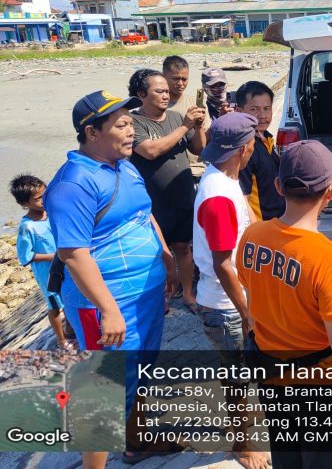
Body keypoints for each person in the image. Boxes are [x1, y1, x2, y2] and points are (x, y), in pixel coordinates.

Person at [236, 140, 332, 468]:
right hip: (322, 386)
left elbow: (252, 300)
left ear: (279, 186)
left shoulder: (252, 237)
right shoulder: (327, 257)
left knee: (287, 455)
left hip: (272, 376)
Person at [44, 90, 179, 468]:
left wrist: (167, 258)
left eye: (129, 122)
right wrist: (108, 310)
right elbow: (73, 253)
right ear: (91, 133)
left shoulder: (123, 165)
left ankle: (137, 442)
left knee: (141, 374)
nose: (130, 130)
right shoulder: (74, 183)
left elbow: (144, 214)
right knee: (104, 389)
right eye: (120, 125)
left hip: (145, 294)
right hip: (106, 304)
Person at [193, 112, 270, 469]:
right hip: (225, 305)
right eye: (252, 144)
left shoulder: (224, 178)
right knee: (238, 378)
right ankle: (243, 445)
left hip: (234, 297)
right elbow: (224, 264)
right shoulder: (218, 195)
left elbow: (249, 225)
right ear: (245, 149)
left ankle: (243, 430)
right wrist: (248, 313)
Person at [129, 69, 206, 313]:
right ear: (141, 94)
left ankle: (188, 294)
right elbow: (150, 151)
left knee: (183, 247)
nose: (166, 95)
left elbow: (198, 149)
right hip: (153, 203)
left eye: (166, 90)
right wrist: (185, 126)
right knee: (156, 253)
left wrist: (199, 127)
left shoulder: (174, 116)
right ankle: (160, 298)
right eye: (159, 91)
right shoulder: (134, 122)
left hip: (182, 194)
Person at [9, 174, 73, 351]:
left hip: (66, 265)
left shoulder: (52, 213)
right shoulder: (27, 226)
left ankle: (70, 328)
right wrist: (53, 256)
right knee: (54, 304)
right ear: (25, 204)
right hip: (48, 272)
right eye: (38, 198)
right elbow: (25, 256)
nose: (44, 200)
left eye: (46, 194)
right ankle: (61, 340)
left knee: (69, 297)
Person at [236, 81, 286, 221]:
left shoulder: (266, 138)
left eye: (267, 108)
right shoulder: (245, 149)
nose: (262, 115)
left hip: (277, 222)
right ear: (239, 111)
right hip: (261, 227)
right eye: (254, 109)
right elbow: (242, 198)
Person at [163, 55, 212, 180]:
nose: (180, 83)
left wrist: (199, 126)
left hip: (196, 171)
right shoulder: (157, 106)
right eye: (175, 79)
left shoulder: (196, 104)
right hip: (169, 173)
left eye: (184, 79)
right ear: (163, 77)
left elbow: (202, 147)